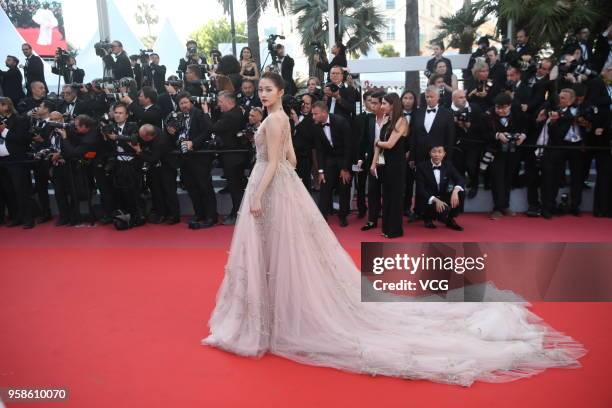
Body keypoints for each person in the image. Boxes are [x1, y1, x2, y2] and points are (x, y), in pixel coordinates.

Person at [202, 71, 586, 387]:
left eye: (269, 89)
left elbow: (273, 163)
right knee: (287, 252)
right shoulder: (286, 119)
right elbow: (291, 157)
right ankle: (277, 312)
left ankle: (270, 317)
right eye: (262, 90)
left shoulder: (273, 119)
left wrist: (259, 194)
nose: (264, 94)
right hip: (283, 188)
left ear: (281, 92)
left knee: (275, 251)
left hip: (269, 189)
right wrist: (281, 175)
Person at [370, 93, 408, 238]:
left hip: (397, 165)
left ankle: (395, 230)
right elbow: (379, 146)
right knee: (386, 196)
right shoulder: (386, 120)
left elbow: (390, 144)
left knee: (395, 197)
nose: (382, 106)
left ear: (393, 105)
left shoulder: (402, 121)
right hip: (385, 164)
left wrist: (377, 142)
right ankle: (386, 229)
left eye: (385, 103)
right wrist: (373, 164)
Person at [312, 100, 353, 226]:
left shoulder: (341, 122)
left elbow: (349, 146)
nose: (313, 117)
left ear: (324, 113)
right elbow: (320, 151)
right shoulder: (316, 126)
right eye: (312, 114)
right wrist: (321, 171)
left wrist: (345, 168)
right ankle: (322, 217)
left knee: (344, 187)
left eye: (315, 114)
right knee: (324, 187)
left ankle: (343, 216)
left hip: (343, 158)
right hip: (329, 160)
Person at [416, 145, 465, 231]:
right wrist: (435, 200)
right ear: (430, 153)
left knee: (461, 192)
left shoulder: (448, 165)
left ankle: (450, 219)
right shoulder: (421, 166)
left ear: (444, 154)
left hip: (443, 196)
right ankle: (428, 218)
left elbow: (460, 179)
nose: (437, 154)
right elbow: (420, 189)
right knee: (427, 200)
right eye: (434, 151)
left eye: (439, 152)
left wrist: (455, 191)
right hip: (429, 198)